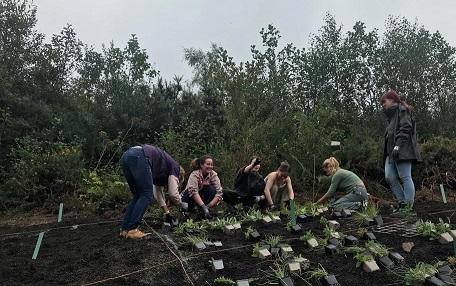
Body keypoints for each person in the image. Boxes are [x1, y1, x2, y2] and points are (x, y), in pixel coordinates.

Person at [120, 144, 187, 239]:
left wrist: (167, 213)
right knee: (146, 194)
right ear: (179, 176)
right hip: (141, 156)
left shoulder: (161, 172)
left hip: (127, 156)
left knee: (138, 195)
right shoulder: (175, 168)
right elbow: (173, 193)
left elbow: (158, 195)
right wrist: (181, 205)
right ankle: (133, 229)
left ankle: (124, 229)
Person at [380, 90, 422, 214]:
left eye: (384, 101)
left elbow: (406, 128)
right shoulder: (392, 116)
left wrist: (398, 146)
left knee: (405, 177)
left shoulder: (402, 110)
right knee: (390, 177)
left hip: (402, 150)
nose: (383, 104)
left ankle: (408, 207)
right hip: (391, 152)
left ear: (392, 99)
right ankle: (402, 203)